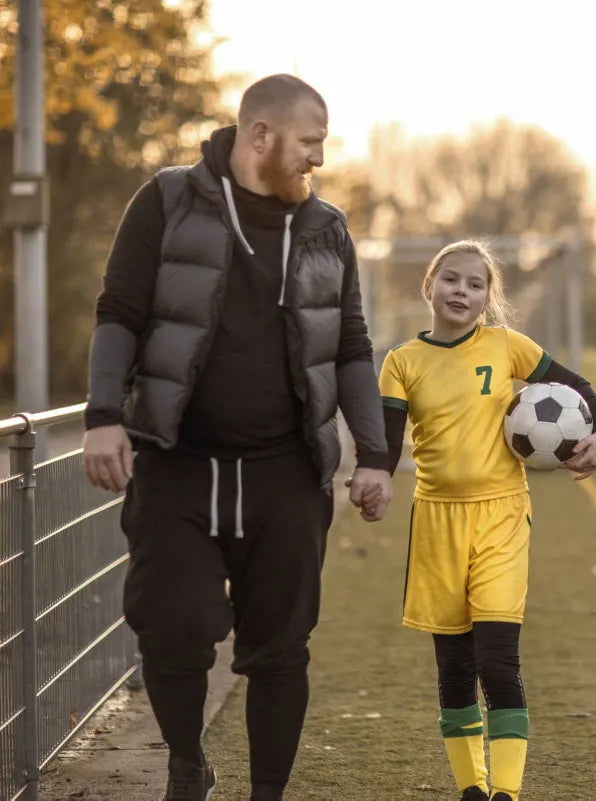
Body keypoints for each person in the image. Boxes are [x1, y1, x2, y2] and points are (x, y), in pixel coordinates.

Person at [81, 74, 393, 801]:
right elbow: (119, 310)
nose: (318, 158)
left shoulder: (327, 229)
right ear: (261, 135)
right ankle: (188, 763)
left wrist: (374, 456)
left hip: (285, 471)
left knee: (281, 647)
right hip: (177, 463)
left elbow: (350, 345)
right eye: (309, 142)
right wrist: (102, 416)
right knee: (174, 626)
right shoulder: (166, 200)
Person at [377, 240, 596, 801]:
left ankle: (506, 789)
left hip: (502, 516)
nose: (462, 291)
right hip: (436, 522)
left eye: (476, 284)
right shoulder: (402, 361)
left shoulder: (508, 347)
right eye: (452, 279)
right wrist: (374, 480)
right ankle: (472, 789)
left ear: (488, 297)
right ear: (430, 283)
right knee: (454, 666)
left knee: (497, 660)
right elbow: (385, 447)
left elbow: (580, 388)